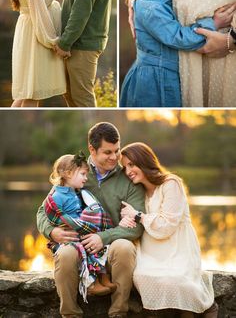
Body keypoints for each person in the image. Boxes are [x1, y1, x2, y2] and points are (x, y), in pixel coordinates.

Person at [37, 122, 145, 318]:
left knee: (125, 247)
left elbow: (136, 227)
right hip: (77, 243)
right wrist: (52, 232)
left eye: (117, 151)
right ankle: (70, 315)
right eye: (107, 152)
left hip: (110, 247)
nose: (114, 157)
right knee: (66, 254)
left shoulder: (129, 178)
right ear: (92, 149)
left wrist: (102, 237)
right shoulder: (74, 172)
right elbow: (43, 211)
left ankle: (118, 313)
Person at [120, 142, 218, 318]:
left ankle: (206, 307)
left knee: (177, 280)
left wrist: (137, 215)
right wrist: (126, 218)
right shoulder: (137, 192)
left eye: (131, 165)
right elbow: (131, 216)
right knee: (142, 276)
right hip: (151, 250)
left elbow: (167, 225)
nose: (128, 171)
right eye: (125, 167)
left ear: (143, 161)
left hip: (179, 247)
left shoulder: (171, 183)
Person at [44, 151, 117, 303]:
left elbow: (91, 209)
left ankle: (103, 276)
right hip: (72, 233)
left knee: (98, 246)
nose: (86, 178)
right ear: (69, 174)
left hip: (83, 230)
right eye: (83, 174)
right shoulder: (56, 196)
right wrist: (63, 227)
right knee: (85, 249)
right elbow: (55, 215)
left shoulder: (79, 193)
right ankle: (92, 283)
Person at [9, 0, 67, 108]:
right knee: (32, 93)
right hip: (35, 38)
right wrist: (55, 42)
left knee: (26, 92)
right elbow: (39, 13)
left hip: (29, 33)